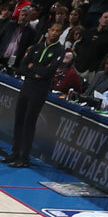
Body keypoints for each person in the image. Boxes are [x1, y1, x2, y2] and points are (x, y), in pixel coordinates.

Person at [9, 30, 67, 167]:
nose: (54, 33)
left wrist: (32, 68)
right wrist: (35, 72)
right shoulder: (37, 47)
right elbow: (22, 67)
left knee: (29, 122)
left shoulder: (59, 50)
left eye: (57, 31)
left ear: (60, 34)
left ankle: (24, 157)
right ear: (48, 31)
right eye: (52, 30)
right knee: (19, 120)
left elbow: (48, 72)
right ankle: (14, 153)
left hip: (40, 90)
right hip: (27, 86)